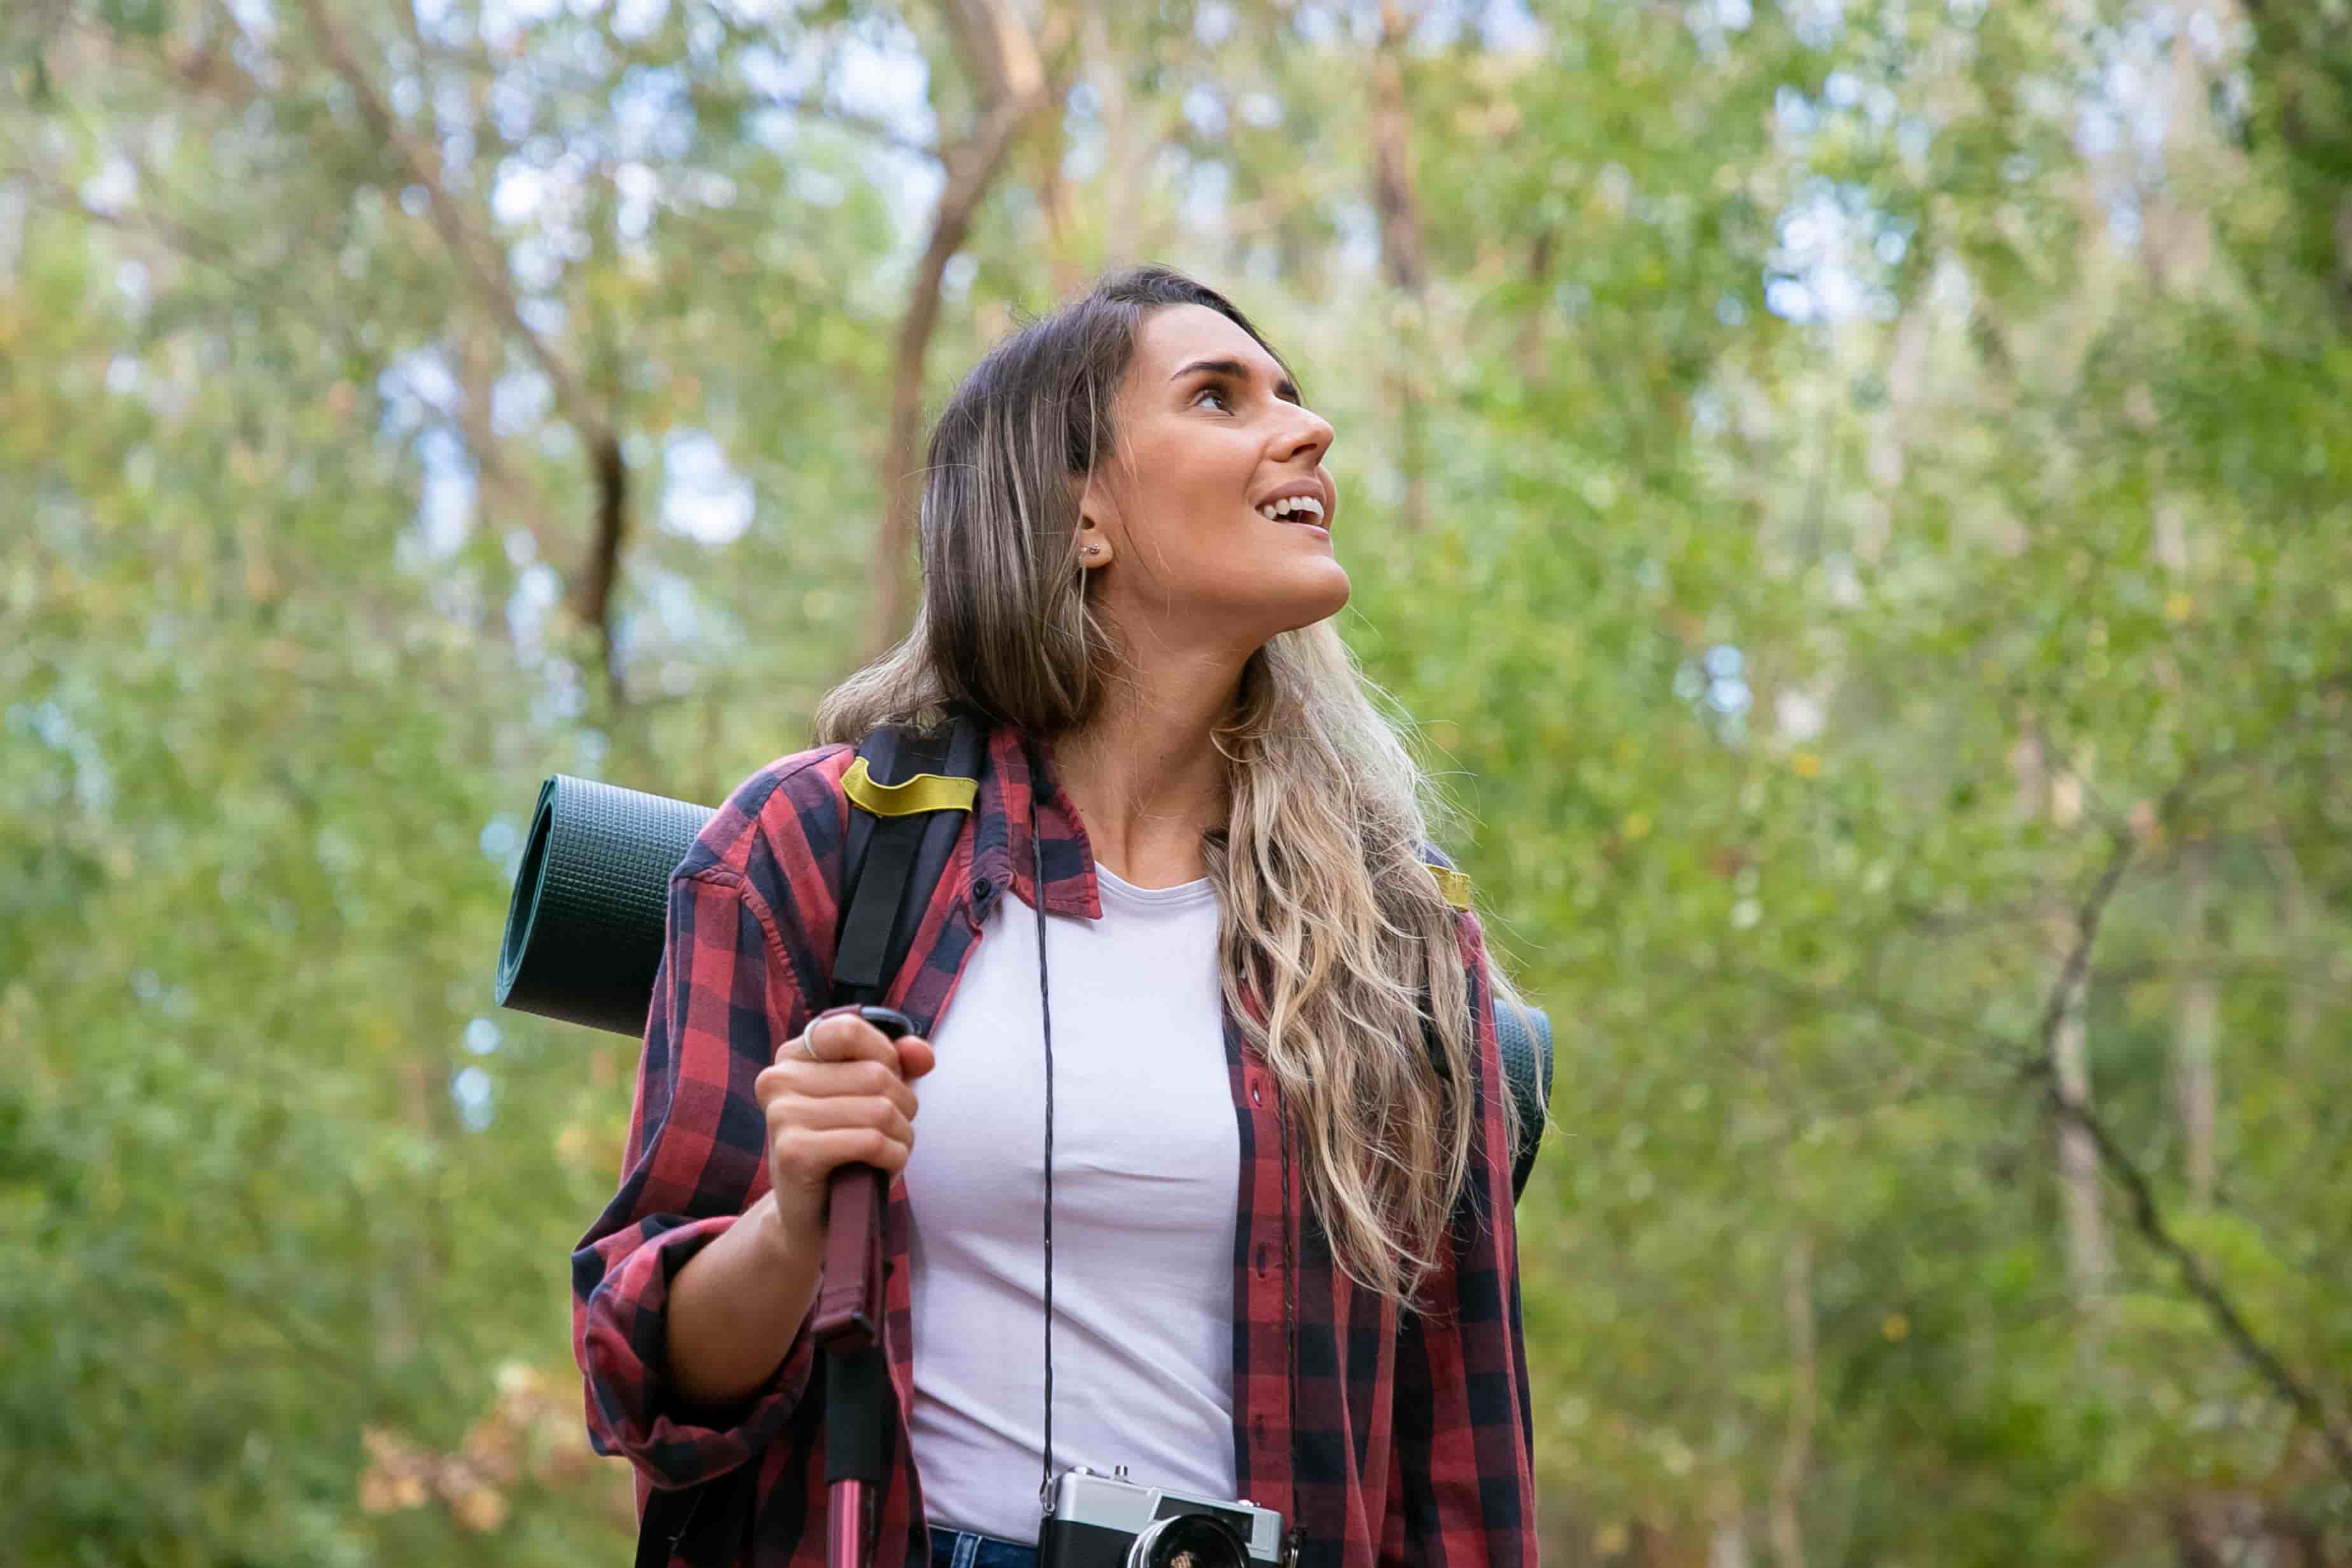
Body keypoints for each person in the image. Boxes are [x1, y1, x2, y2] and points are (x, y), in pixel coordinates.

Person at [572, 264, 1538, 1568]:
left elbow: (1461, 1455)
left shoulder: (1400, 933)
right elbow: (646, 1380)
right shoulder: (810, 850)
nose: (1304, 430)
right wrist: (792, 1218)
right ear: (1077, 511)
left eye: (1293, 398)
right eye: (1218, 395)